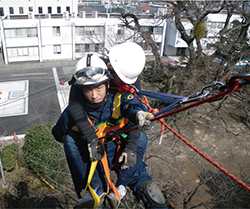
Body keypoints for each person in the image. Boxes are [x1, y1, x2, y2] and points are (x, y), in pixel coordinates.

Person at [52, 54, 168, 209]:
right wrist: (84, 138)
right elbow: (58, 133)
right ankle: (92, 190)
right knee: (71, 140)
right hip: (93, 158)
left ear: (107, 84)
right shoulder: (74, 111)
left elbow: (130, 107)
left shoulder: (119, 97)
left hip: (121, 150)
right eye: (88, 89)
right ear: (80, 89)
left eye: (99, 88)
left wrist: (139, 119)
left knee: (153, 195)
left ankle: (120, 189)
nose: (94, 95)